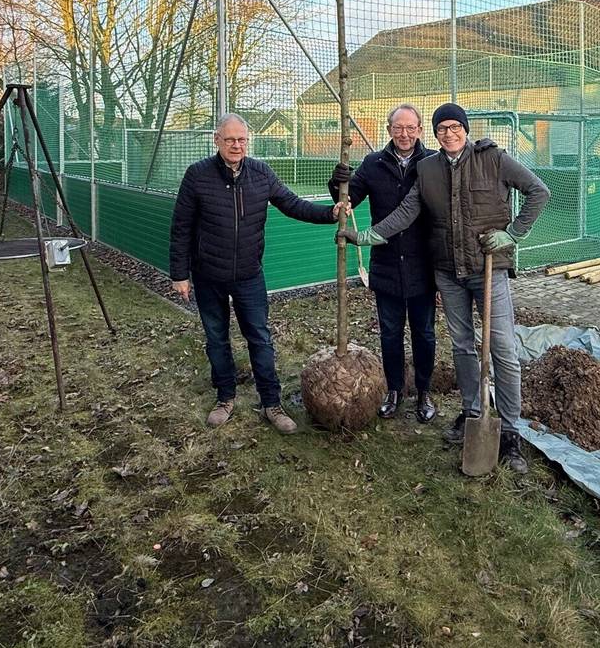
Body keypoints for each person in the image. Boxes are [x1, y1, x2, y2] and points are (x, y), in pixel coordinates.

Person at [339, 103, 550, 473]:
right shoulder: (429, 168)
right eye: (442, 129)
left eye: (455, 127)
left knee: (501, 347)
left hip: (488, 269)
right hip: (448, 273)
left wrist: (513, 234)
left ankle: (512, 430)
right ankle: (471, 413)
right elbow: (406, 212)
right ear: (433, 134)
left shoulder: (493, 158)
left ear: (465, 129)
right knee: (463, 346)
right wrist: (368, 236)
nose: (449, 134)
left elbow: (538, 192)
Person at [170, 112, 346, 434]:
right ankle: (225, 397)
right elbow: (181, 227)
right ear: (217, 140)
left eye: (242, 140)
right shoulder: (197, 175)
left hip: (249, 273)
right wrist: (180, 274)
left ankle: (271, 403)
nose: (237, 145)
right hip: (208, 273)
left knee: (260, 338)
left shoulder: (261, 173)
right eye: (230, 139)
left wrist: (330, 214)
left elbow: (293, 204)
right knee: (216, 338)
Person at [328, 104, 438, 422]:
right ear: (389, 130)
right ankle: (393, 390)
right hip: (387, 264)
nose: (404, 134)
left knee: (425, 333)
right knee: (390, 333)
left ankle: (424, 391)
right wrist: (338, 184)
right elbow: (349, 198)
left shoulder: (432, 163)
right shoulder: (373, 164)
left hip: (422, 265)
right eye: (398, 128)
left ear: (419, 130)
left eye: (411, 128)